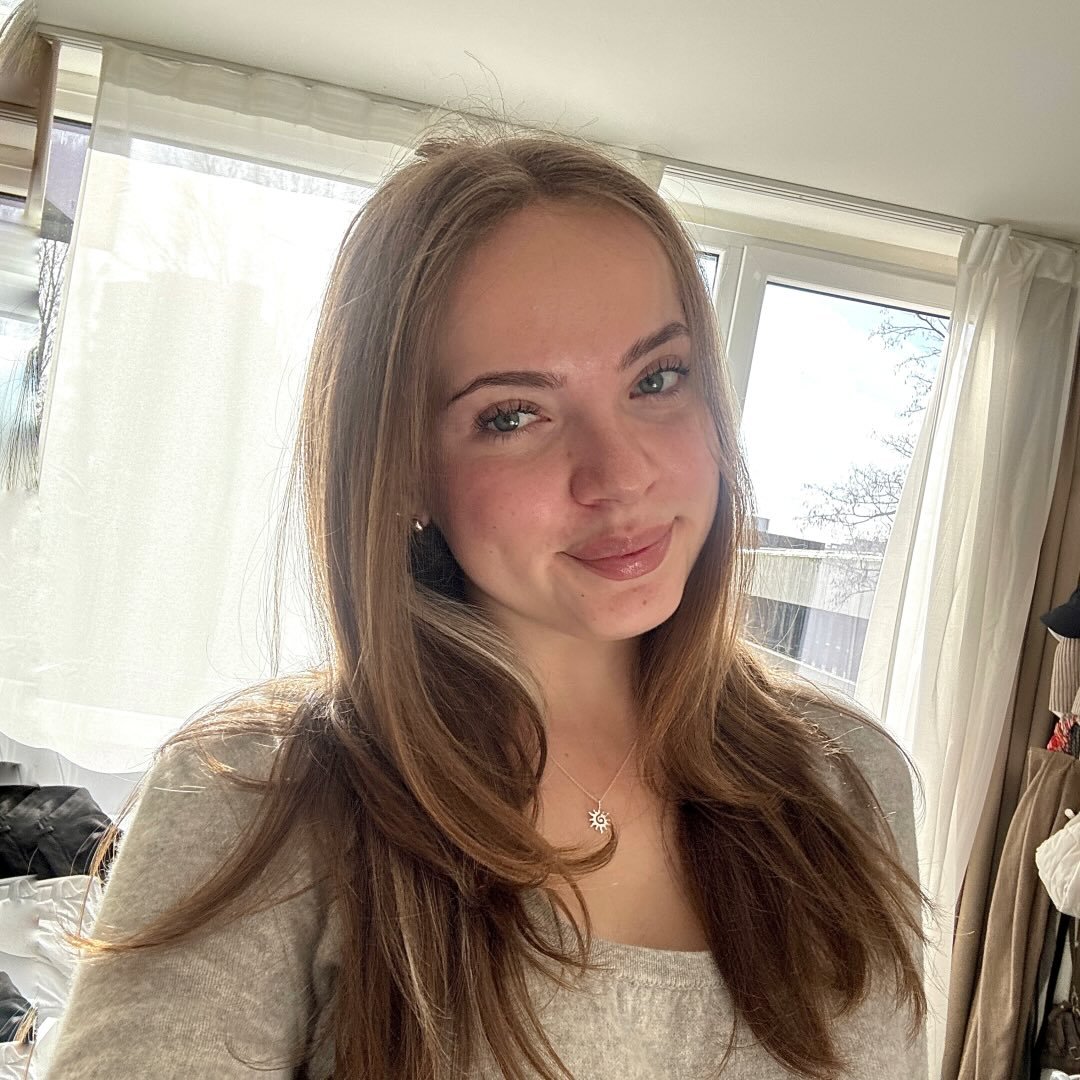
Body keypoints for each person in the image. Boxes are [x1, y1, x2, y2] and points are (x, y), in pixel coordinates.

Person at [43, 121, 933, 1080]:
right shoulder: (255, 797)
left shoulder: (848, 779)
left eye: (657, 378)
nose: (620, 475)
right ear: (404, 472)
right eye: (513, 415)